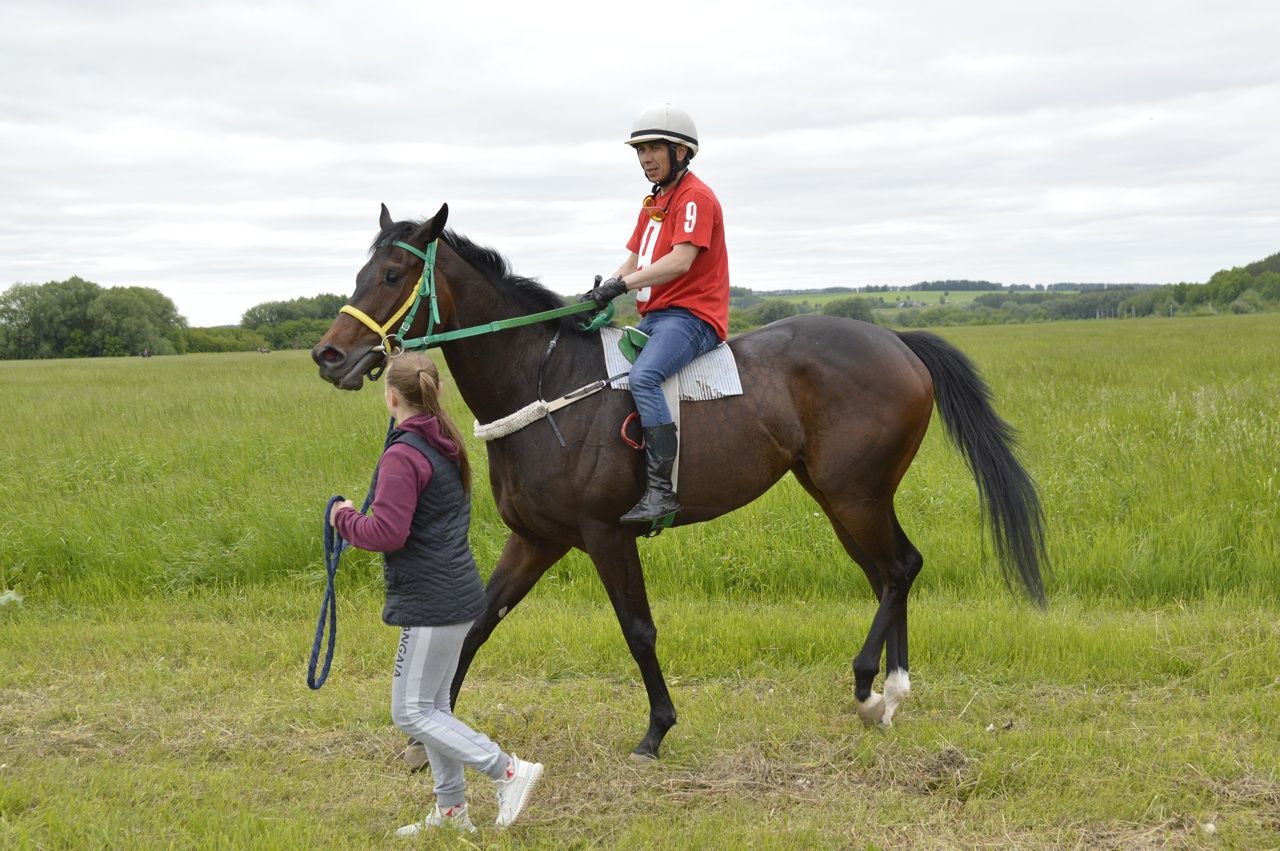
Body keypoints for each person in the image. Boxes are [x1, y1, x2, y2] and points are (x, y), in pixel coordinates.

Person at [329, 351, 543, 834]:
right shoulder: (444, 440)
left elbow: (386, 533)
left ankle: (507, 770)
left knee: (409, 712)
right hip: (457, 594)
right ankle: (451, 811)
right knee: (434, 707)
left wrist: (342, 517)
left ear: (390, 398)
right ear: (434, 392)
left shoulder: (404, 454)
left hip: (434, 602)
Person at [583, 103, 731, 525]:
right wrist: (597, 294)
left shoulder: (695, 198)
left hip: (692, 317)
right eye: (640, 150)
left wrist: (622, 286)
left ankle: (662, 493)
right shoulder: (653, 202)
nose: (645, 158)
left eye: (653, 148)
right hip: (657, 317)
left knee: (644, 376)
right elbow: (631, 264)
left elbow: (680, 262)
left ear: (680, 152)